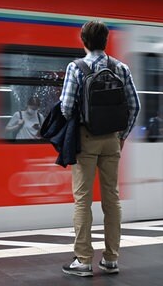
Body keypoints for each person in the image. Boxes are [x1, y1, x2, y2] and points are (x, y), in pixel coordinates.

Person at [61, 21, 140, 277]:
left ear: (83, 40)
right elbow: (134, 106)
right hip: (112, 140)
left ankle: (83, 261)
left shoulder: (77, 67)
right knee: (112, 198)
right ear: (106, 41)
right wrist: (122, 136)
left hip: (86, 139)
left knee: (82, 200)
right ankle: (111, 259)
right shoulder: (121, 68)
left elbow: (65, 108)